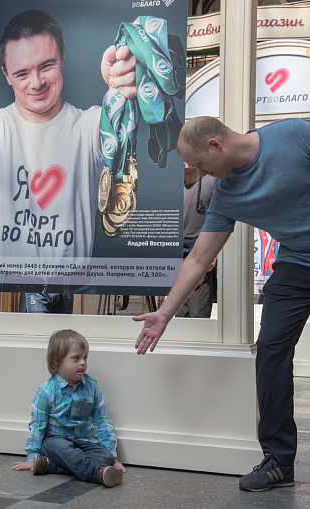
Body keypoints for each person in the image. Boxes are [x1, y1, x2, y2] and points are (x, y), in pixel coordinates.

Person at [133, 116, 310, 492]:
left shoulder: (294, 135)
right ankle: (279, 461)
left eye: (199, 163)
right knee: (271, 350)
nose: (198, 173)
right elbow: (198, 258)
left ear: (216, 145)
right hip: (297, 264)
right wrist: (165, 314)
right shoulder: (226, 193)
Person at [0, 10, 136, 262]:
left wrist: (119, 89)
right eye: (21, 73)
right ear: (6, 75)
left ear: (62, 58)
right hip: (4, 287)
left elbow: (116, 126)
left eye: (46, 65)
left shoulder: (89, 124)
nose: (37, 82)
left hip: (71, 287)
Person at [12, 329, 126, 487]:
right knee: (65, 451)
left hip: (84, 442)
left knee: (105, 456)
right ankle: (99, 473)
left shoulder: (91, 386)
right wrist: (32, 457)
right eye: (76, 358)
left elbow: (101, 420)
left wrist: (113, 457)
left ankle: (49, 466)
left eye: (85, 357)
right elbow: (37, 427)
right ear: (57, 360)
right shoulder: (47, 391)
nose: (83, 363)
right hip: (55, 442)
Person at [175, 162, 215, 318]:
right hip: (175, 252)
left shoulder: (210, 182)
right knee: (179, 312)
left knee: (198, 311)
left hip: (199, 250)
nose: (183, 162)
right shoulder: (172, 185)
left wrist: (213, 253)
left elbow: (220, 220)